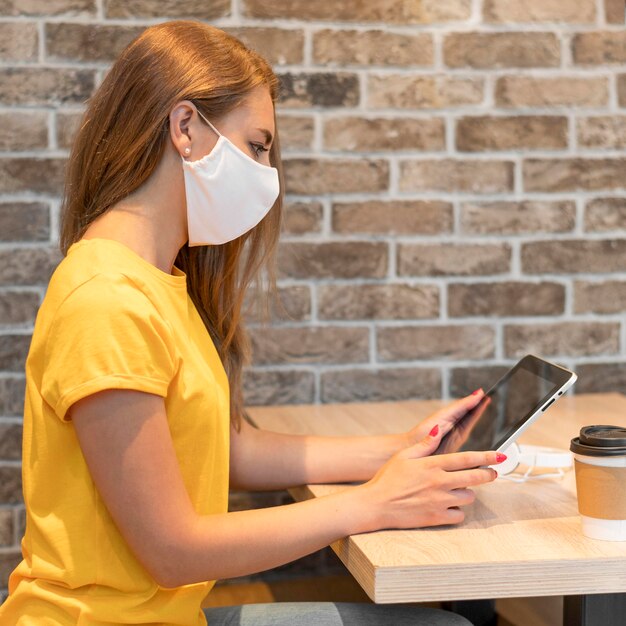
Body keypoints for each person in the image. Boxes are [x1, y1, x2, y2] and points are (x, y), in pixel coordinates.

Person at [0, 20, 506, 626]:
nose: (266, 173)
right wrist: (372, 504)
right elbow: (171, 550)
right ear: (184, 128)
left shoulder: (153, 280)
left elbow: (224, 450)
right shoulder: (107, 299)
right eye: (258, 146)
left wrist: (402, 450)